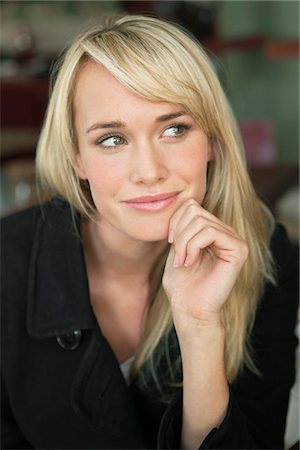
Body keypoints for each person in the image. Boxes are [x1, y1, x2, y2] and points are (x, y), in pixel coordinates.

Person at [1, 14, 298, 450]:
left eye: (174, 129)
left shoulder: (265, 260)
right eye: (112, 139)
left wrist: (200, 327)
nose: (149, 172)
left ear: (213, 139)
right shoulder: (7, 264)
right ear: (77, 158)